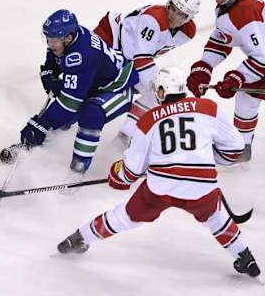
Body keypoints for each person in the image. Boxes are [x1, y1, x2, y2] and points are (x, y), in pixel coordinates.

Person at [57, 67, 261, 279]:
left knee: (126, 215)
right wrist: (209, 159)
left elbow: (131, 171)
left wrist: (117, 175)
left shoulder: (149, 119)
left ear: (163, 92)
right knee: (216, 217)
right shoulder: (207, 107)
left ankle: (79, 238)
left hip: (160, 187)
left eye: (157, 89)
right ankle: (245, 256)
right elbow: (236, 147)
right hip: (200, 186)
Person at [21, 9, 139, 176]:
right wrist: (49, 74)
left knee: (91, 114)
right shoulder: (70, 36)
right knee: (63, 119)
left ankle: (76, 174)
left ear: (68, 38)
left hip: (118, 87)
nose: (49, 44)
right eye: (47, 39)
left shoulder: (81, 55)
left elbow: (70, 104)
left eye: (53, 41)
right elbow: (54, 57)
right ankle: (35, 147)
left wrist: (42, 124)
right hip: (94, 81)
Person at [91, 0, 200, 147]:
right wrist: (159, 83)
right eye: (173, 8)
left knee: (158, 94)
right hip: (108, 39)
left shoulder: (188, 33)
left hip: (128, 56)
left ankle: (126, 135)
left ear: (189, 18)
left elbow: (144, 56)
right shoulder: (154, 18)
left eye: (181, 14)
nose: (173, 15)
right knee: (88, 81)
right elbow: (141, 59)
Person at [186, 0, 265, 162]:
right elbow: (221, 39)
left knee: (247, 94)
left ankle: (241, 148)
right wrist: (204, 67)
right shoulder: (229, 6)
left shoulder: (246, 14)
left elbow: (262, 58)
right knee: (247, 97)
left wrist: (236, 78)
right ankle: (242, 148)